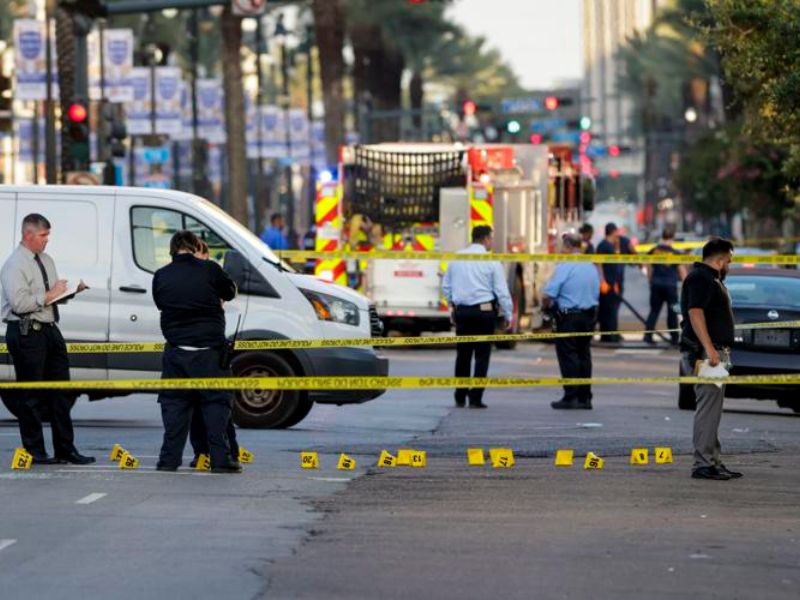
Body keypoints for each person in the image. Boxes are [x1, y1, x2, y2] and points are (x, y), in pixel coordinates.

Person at [0, 213, 94, 464]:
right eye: (43, 236)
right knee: (32, 395)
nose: (46, 241)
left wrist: (71, 291)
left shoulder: (46, 260)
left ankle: (66, 449)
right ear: (28, 235)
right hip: (26, 331)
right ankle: (35, 452)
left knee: (61, 391)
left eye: (47, 236)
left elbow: (50, 297)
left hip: (50, 329)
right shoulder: (14, 264)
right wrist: (49, 294)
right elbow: (19, 304)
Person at [152, 230, 240, 473]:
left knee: (175, 407)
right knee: (215, 406)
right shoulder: (210, 269)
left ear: (172, 251)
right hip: (210, 353)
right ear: (193, 247)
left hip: (177, 353)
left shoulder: (161, 275)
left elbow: (160, 303)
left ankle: (168, 461)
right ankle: (220, 460)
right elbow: (230, 291)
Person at [680, 238, 742, 481]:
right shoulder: (701, 278)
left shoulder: (710, 279)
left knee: (713, 409)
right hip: (708, 353)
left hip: (715, 351)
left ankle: (713, 460)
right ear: (720, 258)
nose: (729, 265)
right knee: (708, 408)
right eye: (728, 260)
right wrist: (710, 350)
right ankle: (704, 463)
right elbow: (695, 313)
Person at [442, 225, 513, 409]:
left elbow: (446, 286)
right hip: (484, 313)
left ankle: (460, 395)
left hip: (463, 313)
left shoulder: (457, 258)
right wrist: (508, 313)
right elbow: (501, 291)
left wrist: (452, 305)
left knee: (463, 355)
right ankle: (476, 398)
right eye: (491, 238)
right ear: (486, 239)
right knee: (482, 356)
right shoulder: (491, 262)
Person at [187, 239, 240, 467]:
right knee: (195, 407)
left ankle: (229, 452)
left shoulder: (211, 275)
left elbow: (226, 295)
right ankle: (201, 453)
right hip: (191, 351)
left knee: (219, 405)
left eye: (201, 256)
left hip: (212, 350)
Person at [543, 233, 600, 410]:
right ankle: (585, 397)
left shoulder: (565, 266)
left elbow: (549, 293)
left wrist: (546, 307)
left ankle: (571, 396)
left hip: (569, 317)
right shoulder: (590, 266)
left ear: (567, 247)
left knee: (568, 356)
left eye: (562, 246)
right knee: (584, 355)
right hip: (588, 316)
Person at [644, 228, 687, 345]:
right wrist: (687, 284)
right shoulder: (675, 253)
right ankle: (674, 338)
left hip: (656, 284)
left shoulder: (654, 250)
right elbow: (682, 270)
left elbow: (647, 265)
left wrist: (650, 279)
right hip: (670, 286)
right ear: (672, 238)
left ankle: (648, 336)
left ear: (662, 237)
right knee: (672, 312)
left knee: (654, 311)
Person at [595, 222, 635, 342]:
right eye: (617, 231)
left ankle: (609, 333)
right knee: (609, 310)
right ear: (612, 232)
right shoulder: (604, 246)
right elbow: (599, 264)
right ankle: (609, 335)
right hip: (608, 283)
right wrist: (602, 280)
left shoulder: (610, 245)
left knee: (611, 309)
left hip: (613, 282)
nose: (618, 234)